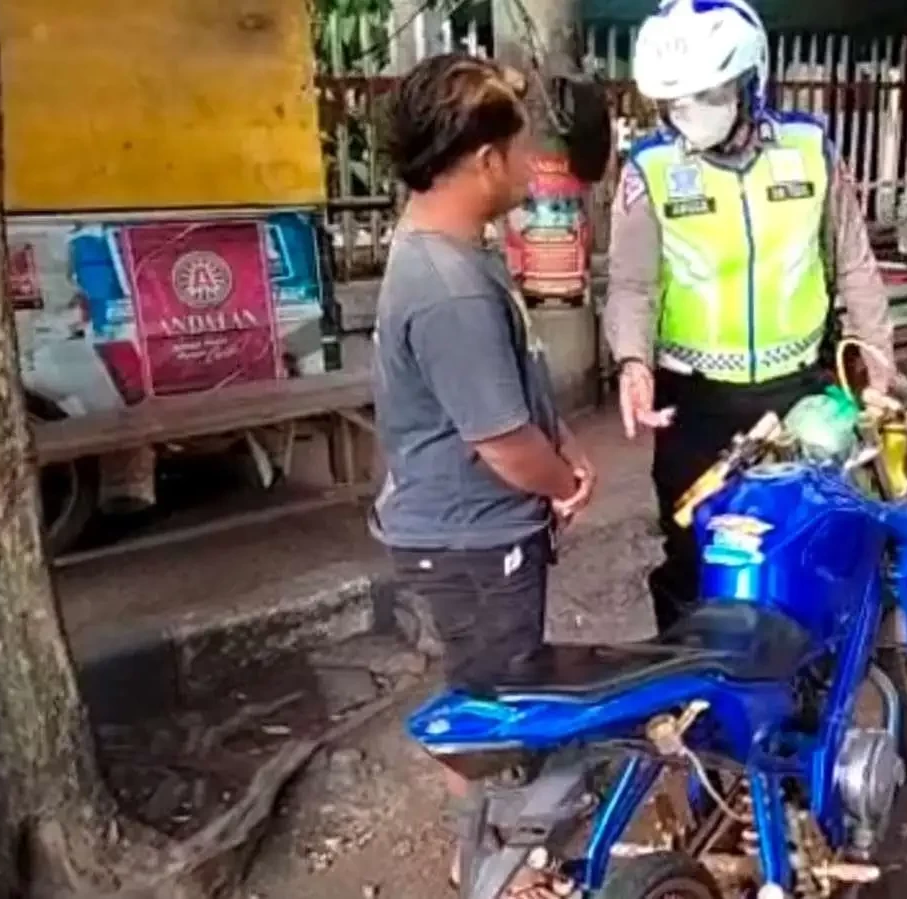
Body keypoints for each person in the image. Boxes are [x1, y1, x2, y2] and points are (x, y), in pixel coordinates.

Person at [370, 53, 594, 890]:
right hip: (468, 537)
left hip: (475, 527)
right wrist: (563, 481)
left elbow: (514, 382)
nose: (533, 154)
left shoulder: (458, 253)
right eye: (521, 139)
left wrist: (564, 440)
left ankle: (490, 854)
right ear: (486, 159)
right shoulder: (449, 285)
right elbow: (501, 440)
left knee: (493, 692)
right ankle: (494, 868)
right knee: (493, 708)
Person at [604, 0, 894, 634]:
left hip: (800, 393)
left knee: (811, 539)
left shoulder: (810, 150)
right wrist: (631, 360)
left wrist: (876, 365)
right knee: (693, 553)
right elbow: (630, 284)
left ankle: (807, 688)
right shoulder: (649, 170)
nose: (692, 113)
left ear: (750, 81)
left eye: (707, 94)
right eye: (677, 102)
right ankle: (692, 699)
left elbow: (854, 263)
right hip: (695, 404)